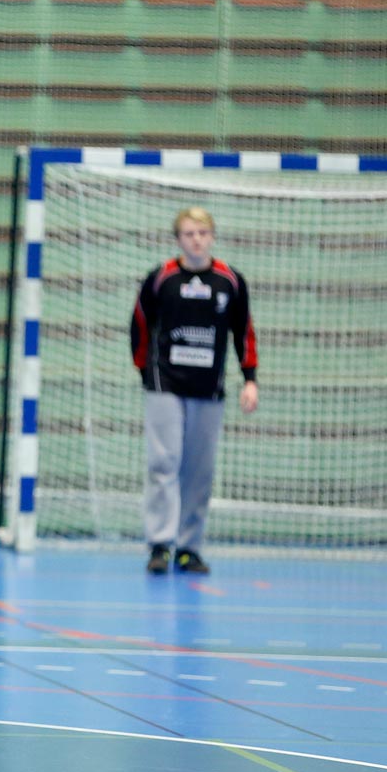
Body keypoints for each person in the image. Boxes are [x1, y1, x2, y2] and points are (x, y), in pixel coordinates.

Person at [129, 206, 259, 576]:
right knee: (163, 463)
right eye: (188, 234)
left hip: (209, 388)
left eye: (202, 233)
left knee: (198, 471)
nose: (196, 240)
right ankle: (160, 544)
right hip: (164, 384)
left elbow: (243, 332)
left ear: (212, 237)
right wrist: (145, 371)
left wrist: (250, 378)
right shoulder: (162, 278)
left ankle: (189, 547)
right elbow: (139, 322)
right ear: (179, 239)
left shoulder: (230, 281)